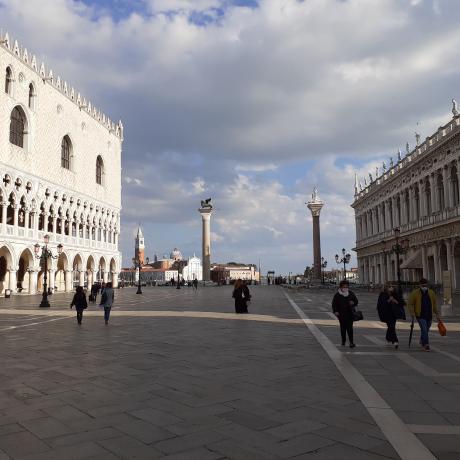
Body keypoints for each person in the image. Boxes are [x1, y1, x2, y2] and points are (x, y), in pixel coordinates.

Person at [407, 278, 439, 351]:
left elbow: (434, 304)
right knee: (424, 329)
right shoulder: (415, 293)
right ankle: (426, 345)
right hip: (420, 315)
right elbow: (410, 303)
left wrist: (437, 313)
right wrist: (412, 313)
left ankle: (422, 340)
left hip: (429, 315)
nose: (424, 286)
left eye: (425, 285)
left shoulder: (431, 293)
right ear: (420, 285)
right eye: (422, 285)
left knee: (426, 329)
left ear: (427, 285)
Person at [377, 282, 405, 349]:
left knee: (391, 326)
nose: (390, 288)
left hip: (394, 314)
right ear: (386, 288)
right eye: (389, 287)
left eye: (391, 286)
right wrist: (388, 300)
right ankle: (395, 341)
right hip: (386, 313)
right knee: (391, 326)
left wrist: (395, 301)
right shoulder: (382, 294)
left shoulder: (395, 294)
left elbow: (402, 302)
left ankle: (388, 337)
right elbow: (380, 305)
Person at [332, 280, 358, 348]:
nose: (345, 288)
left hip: (350, 313)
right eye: (344, 287)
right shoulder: (337, 294)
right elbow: (334, 304)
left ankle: (351, 342)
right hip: (341, 314)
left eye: (346, 286)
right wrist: (335, 311)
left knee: (350, 328)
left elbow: (356, 301)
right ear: (341, 287)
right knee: (343, 328)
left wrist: (353, 303)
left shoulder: (351, 293)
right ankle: (343, 341)